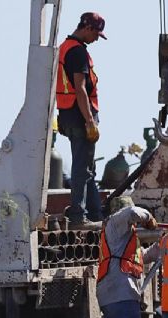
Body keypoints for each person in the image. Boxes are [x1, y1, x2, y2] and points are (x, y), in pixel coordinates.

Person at [92, 196, 158, 318]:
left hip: (113, 294)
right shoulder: (116, 221)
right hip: (121, 293)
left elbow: (139, 258)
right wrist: (148, 218)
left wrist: (158, 249)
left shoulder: (120, 236)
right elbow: (132, 213)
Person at [57, 12, 107, 228]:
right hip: (79, 117)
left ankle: (94, 213)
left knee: (86, 168)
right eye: (96, 33)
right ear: (87, 28)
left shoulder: (65, 47)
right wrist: (89, 121)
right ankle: (79, 215)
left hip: (67, 115)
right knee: (81, 167)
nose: (97, 38)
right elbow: (80, 89)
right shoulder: (77, 52)